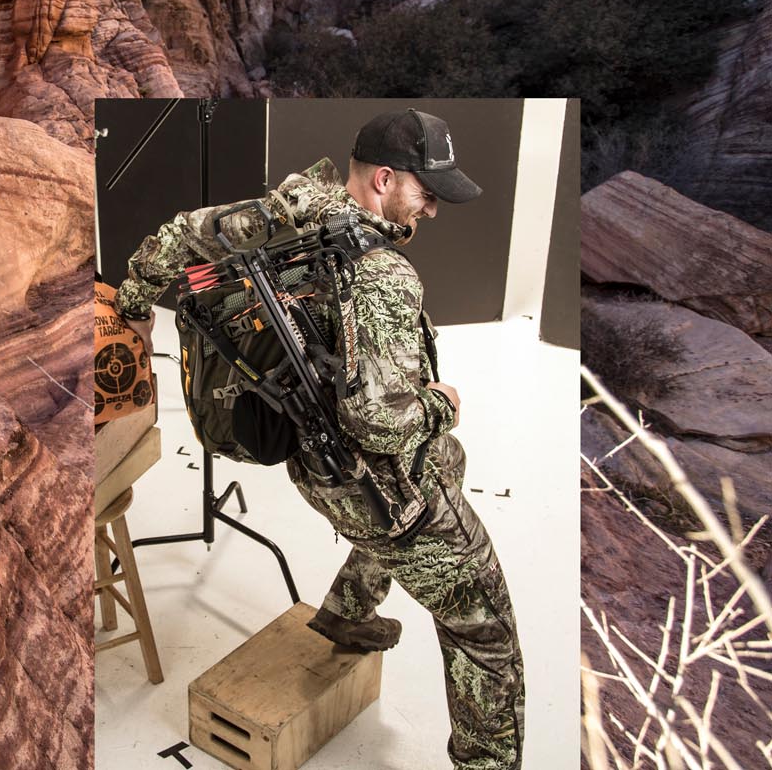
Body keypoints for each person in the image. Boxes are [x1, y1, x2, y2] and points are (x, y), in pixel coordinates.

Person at [113, 108, 524, 770]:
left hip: (310, 463)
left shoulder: (283, 215)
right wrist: (440, 405)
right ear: (385, 180)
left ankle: (345, 610)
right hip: (373, 488)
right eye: (426, 192)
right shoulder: (383, 274)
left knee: (448, 462)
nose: (432, 210)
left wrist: (131, 309)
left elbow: (173, 239)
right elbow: (379, 423)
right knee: (486, 633)